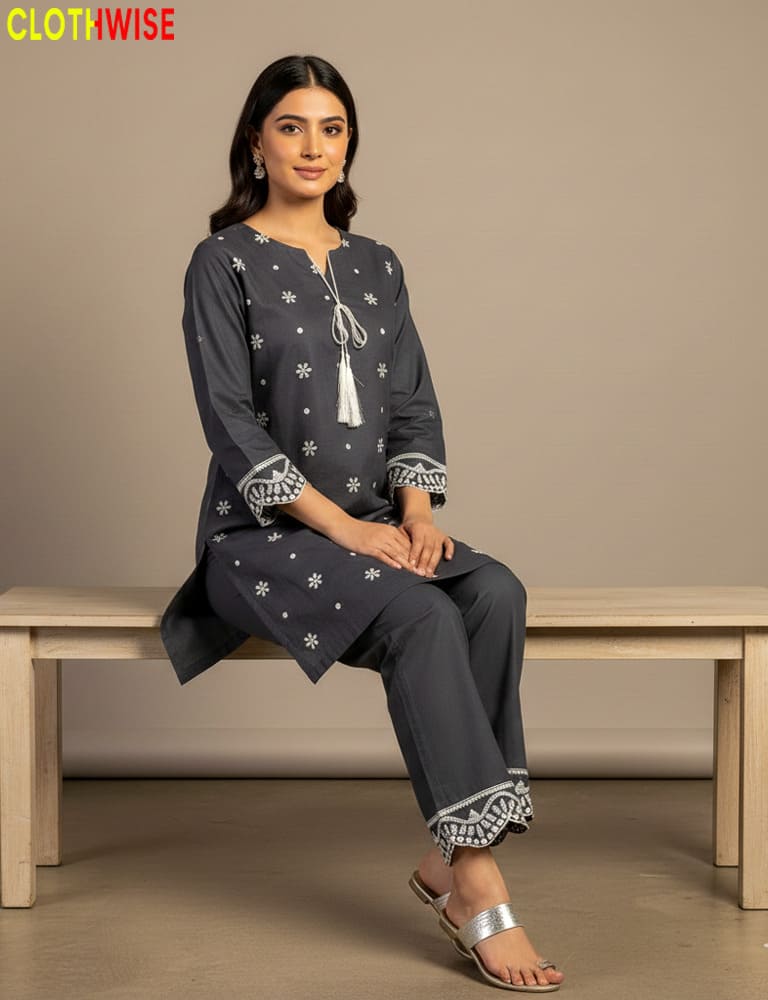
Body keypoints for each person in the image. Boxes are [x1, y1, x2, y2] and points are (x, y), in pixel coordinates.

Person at [160, 54, 564, 992]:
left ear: (349, 148)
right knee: (424, 617)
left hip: (378, 526)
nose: (312, 145)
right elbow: (230, 423)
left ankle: (444, 849)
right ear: (256, 142)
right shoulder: (220, 263)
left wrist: (416, 513)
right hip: (260, 541)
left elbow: (413, 403)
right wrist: (346, 530)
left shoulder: (378, 264)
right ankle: (474, 879)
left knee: (493, 590)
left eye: (331, 127)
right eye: (292, 125)